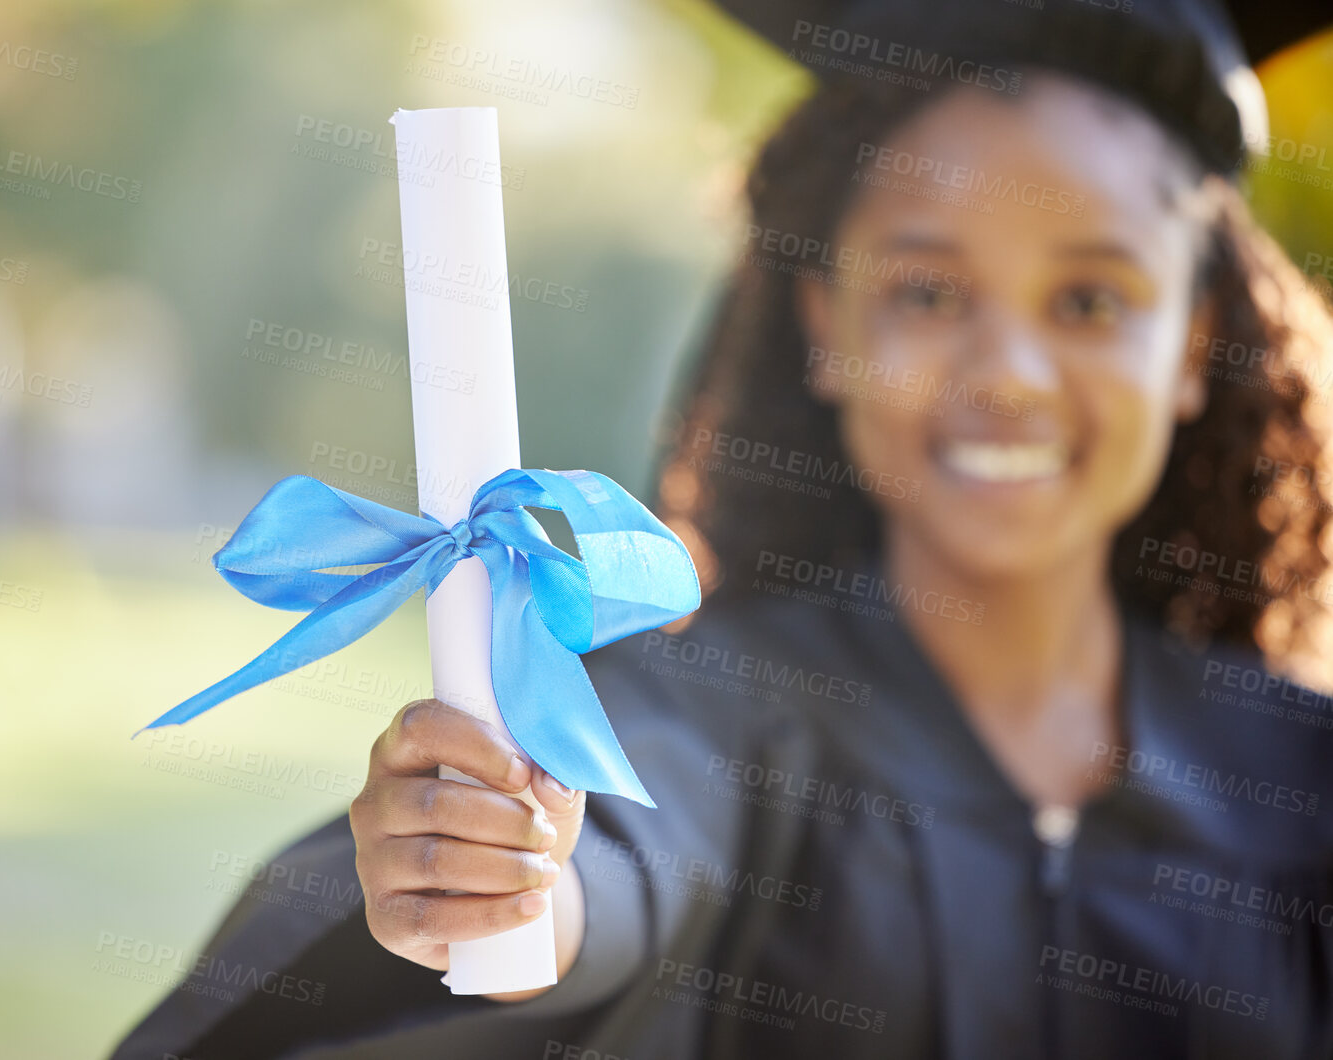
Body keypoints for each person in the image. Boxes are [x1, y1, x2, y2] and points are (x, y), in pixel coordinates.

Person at [113, 0, 1333, 1055]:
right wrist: (506, 881)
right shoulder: (711, 715)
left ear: (1190, 342)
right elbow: (624, 847)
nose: (1005, 370)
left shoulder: (1298, 784)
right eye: (925, 290)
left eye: (1087, 297)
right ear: (824, 321)